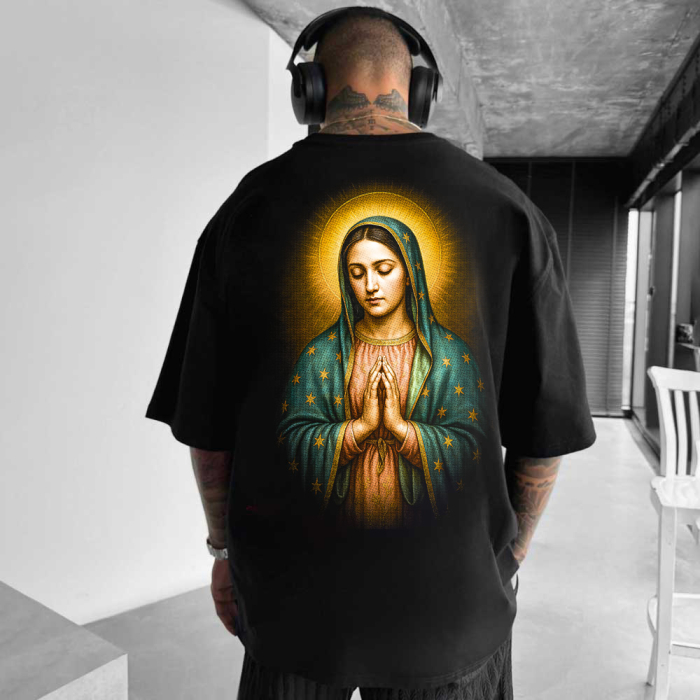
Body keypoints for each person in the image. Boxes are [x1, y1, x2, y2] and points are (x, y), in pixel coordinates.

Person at [145, 6, 597, 700]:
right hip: (445, 611)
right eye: (356, 272)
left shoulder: (248, 210)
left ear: (309, 93)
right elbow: (544, 433)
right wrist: (506, 555)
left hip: (300, 611)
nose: (371, 283)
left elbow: (210, 436)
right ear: (421, 91)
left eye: (384, 269)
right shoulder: (508, 210)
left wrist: (225, 551)